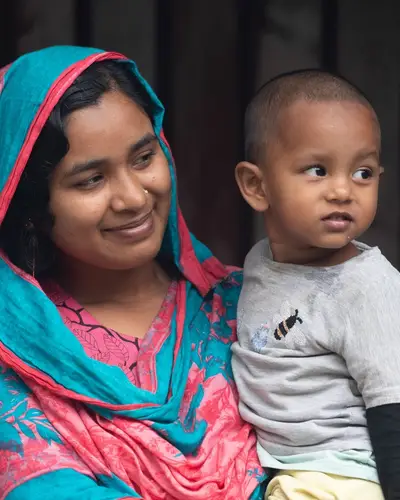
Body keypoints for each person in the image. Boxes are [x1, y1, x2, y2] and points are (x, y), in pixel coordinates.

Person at [0, 46, 266, 500]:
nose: (134, 198)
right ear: (30, 207)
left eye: (143, 158)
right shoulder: (15, 362)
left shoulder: (258, 307)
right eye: (91, 180)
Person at [232, 70, 400, 500]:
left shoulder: (367, 286)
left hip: (345, 475)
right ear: (256, 185)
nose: (343, 190)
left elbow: (392, 405)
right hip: (285, 471)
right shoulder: (260, 261)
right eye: (318, 170)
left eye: (363, 172)